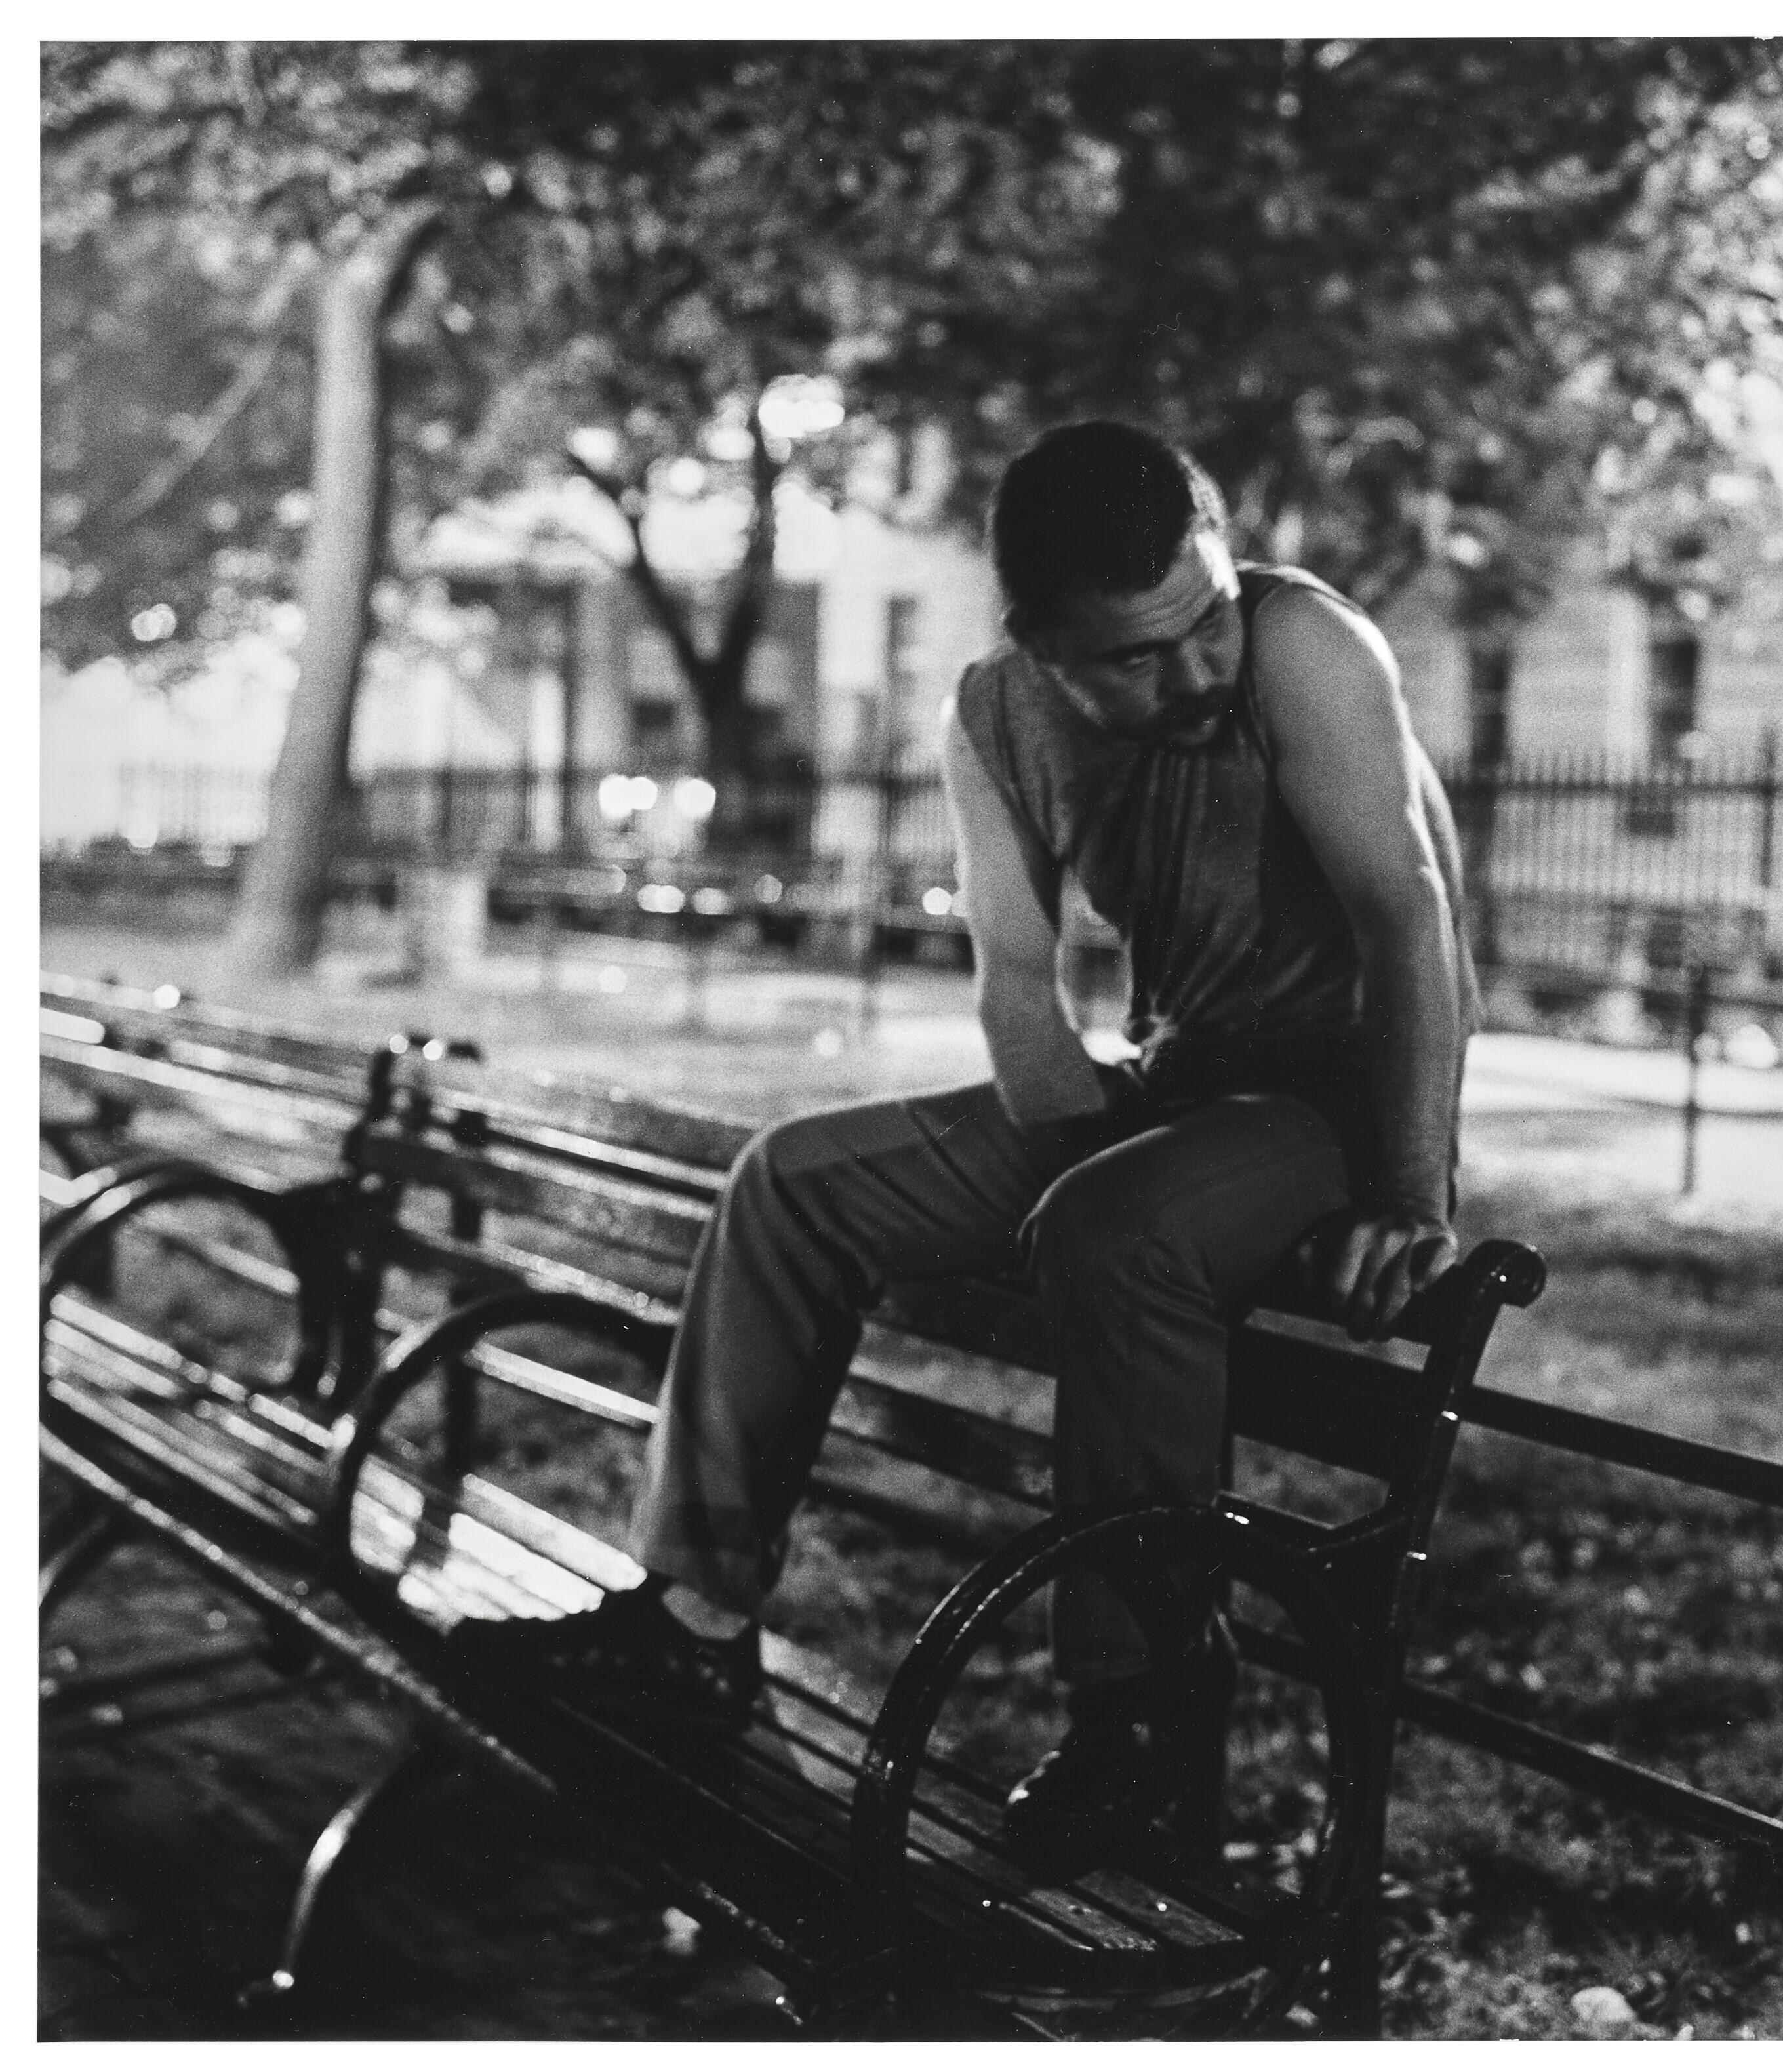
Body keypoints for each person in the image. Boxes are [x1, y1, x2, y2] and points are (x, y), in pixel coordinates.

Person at [454, 420, 1478, 1875]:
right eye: (1134, 657)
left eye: (1204, 626)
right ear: (1042, 646)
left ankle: (1145, 1723)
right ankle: (690, 1629)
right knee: (794, 1182)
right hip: (1173, 1089)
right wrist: (1073, 1149)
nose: (1192, 672)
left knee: (1113, 1228)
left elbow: (1408, 915)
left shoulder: (1304, 640)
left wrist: (1408, 1197)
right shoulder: (994, 718)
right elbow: (1017, 981)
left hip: (1327, 1101)